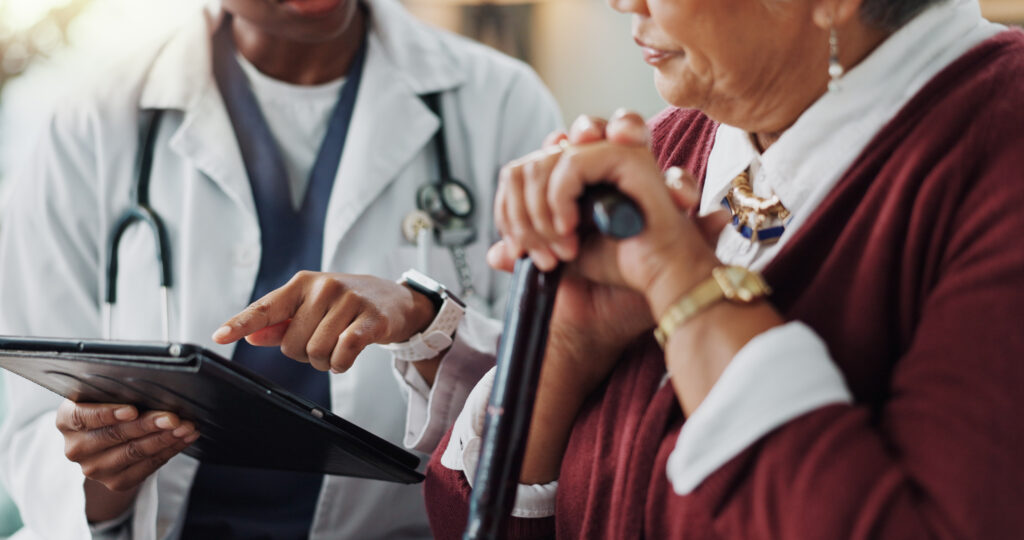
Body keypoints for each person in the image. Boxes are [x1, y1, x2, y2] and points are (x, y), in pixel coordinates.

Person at [415, 0, 1024, 537]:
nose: (622, 2)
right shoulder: (672, 145)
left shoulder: (996, 154)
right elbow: (461, 517)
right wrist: (568, 346)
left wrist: (686, 289)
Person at [0, 0, 561, 538]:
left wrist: (425, 322)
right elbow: (32, 413)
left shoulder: (501, 102)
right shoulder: (89, 121)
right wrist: (100, 477)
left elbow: (550, 383)